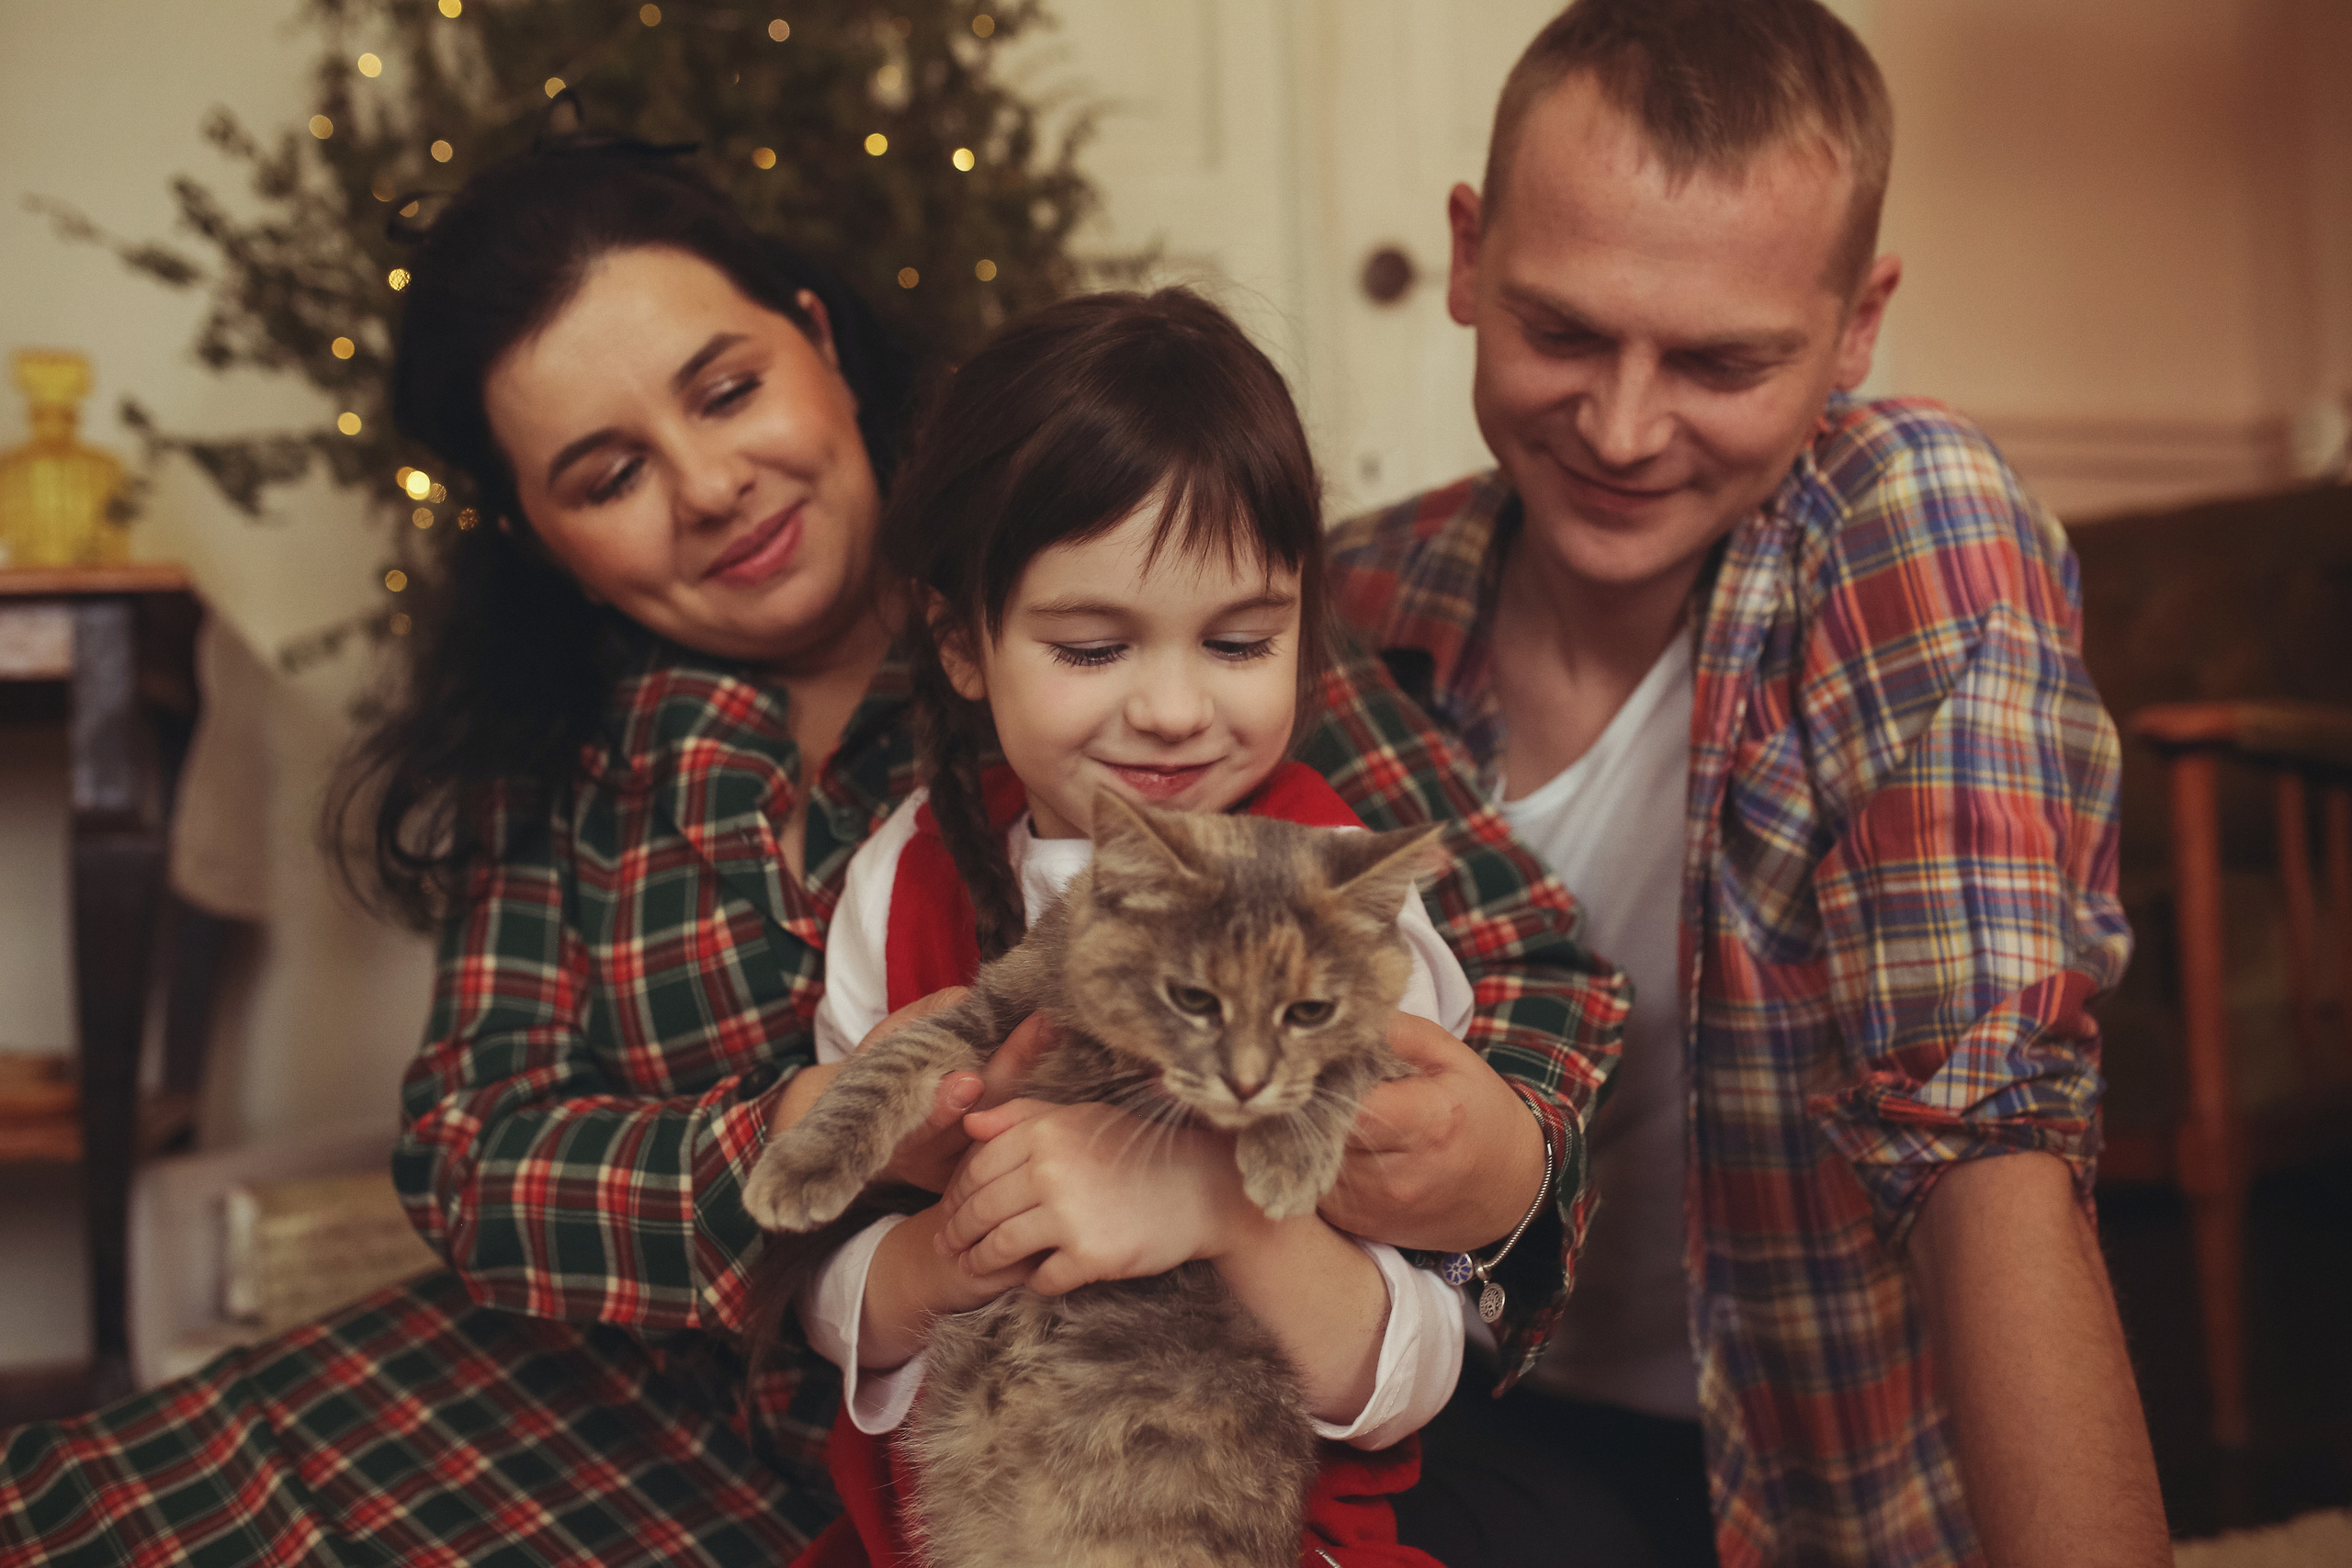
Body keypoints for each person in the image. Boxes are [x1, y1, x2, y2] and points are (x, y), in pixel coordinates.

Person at [0, 143, 1621, 1563]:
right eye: (607, 473)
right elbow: (469, 1150)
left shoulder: (1141, 622)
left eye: (724, 389)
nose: (711, 487)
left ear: (819, 345)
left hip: (1104, 1424)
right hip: (643, 1395)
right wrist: (807, 1145)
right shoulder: (566, 762)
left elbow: (1520, 973)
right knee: (97, 1505)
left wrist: (1501, 1151)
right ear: (534, 527)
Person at [1327, 3, 2170, 1565]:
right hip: (1420, 1425)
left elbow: (1987, 1129)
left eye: (1721, 361)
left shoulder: (1905, 521)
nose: (1624, 429)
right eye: (1563, 332)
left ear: (1856, 327)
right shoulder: (1351, 605)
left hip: (1790, 1473)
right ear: (1466, 254)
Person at [793, 288, 1472, 1567]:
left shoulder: (1339, 903)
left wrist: (1219, 1211)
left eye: (1238, 640)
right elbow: (833, 1283)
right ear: (960, 641)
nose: (1172, 710)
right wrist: (940, 1256)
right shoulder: (906, 880)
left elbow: (1420, 1358)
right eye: (1096, 647)